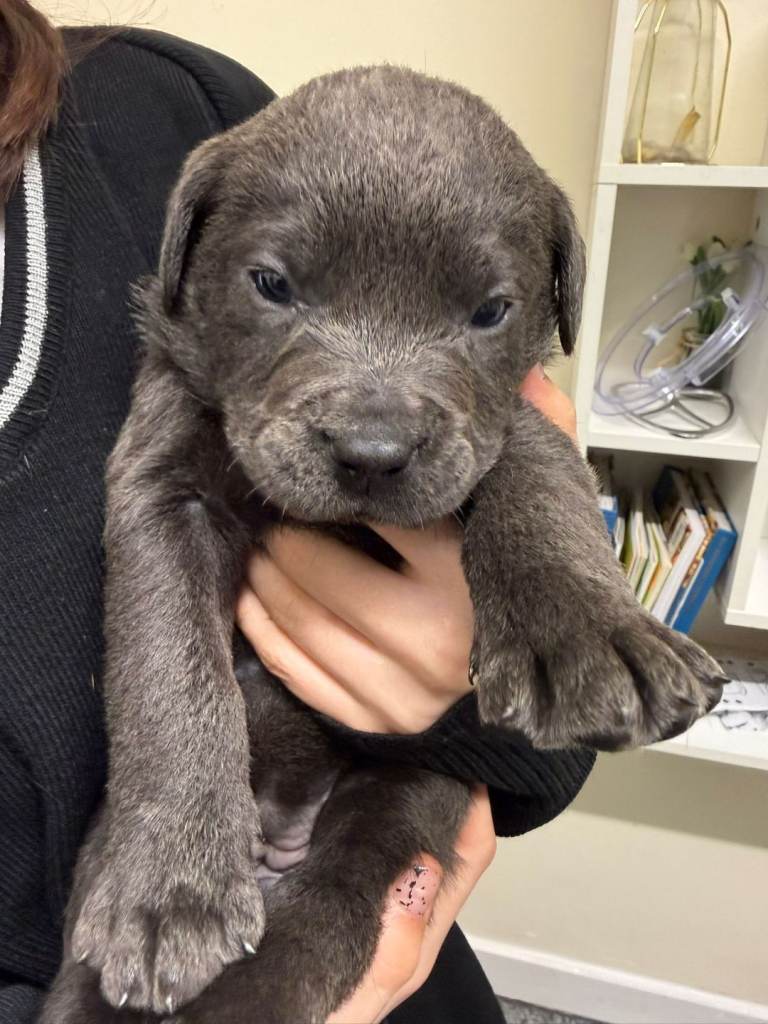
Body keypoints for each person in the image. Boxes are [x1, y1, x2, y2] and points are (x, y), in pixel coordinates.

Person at [0, 3, 595, 1021]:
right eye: (276, 287)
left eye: (488, 311)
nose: (372, 435)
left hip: (376, 918)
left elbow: (559, 742)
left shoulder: (177, 109)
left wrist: (493, 681)